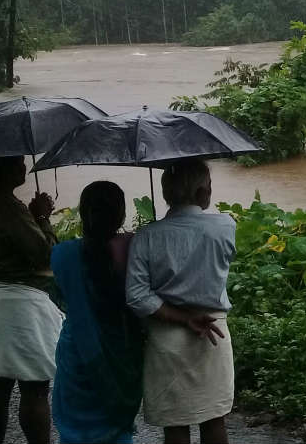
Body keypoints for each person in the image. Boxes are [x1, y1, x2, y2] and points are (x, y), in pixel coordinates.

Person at [126, 159, 233, 444]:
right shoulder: (224, 226)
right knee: (214, 417)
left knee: (176, 424)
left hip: (165, 333)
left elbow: (136, 296)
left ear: (166, 193)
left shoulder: (146, 236)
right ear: (201, 193)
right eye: (208, 186)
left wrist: (182, 316)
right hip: (212, 331)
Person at [0, 156, 61, 444]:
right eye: (18, 162)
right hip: (21, 306)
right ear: (3, 169)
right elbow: (46, 256)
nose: (24, 167)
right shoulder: (10, 209)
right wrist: (43, 217)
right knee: (34, 387)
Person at [50, 181, 144, 444]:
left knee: (74, 431)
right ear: (121, 214)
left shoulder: (62, 254)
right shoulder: (133, 247)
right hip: (123, 347)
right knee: (116, 428)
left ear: (83, 214)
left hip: (78, 350)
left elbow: (59, 297)